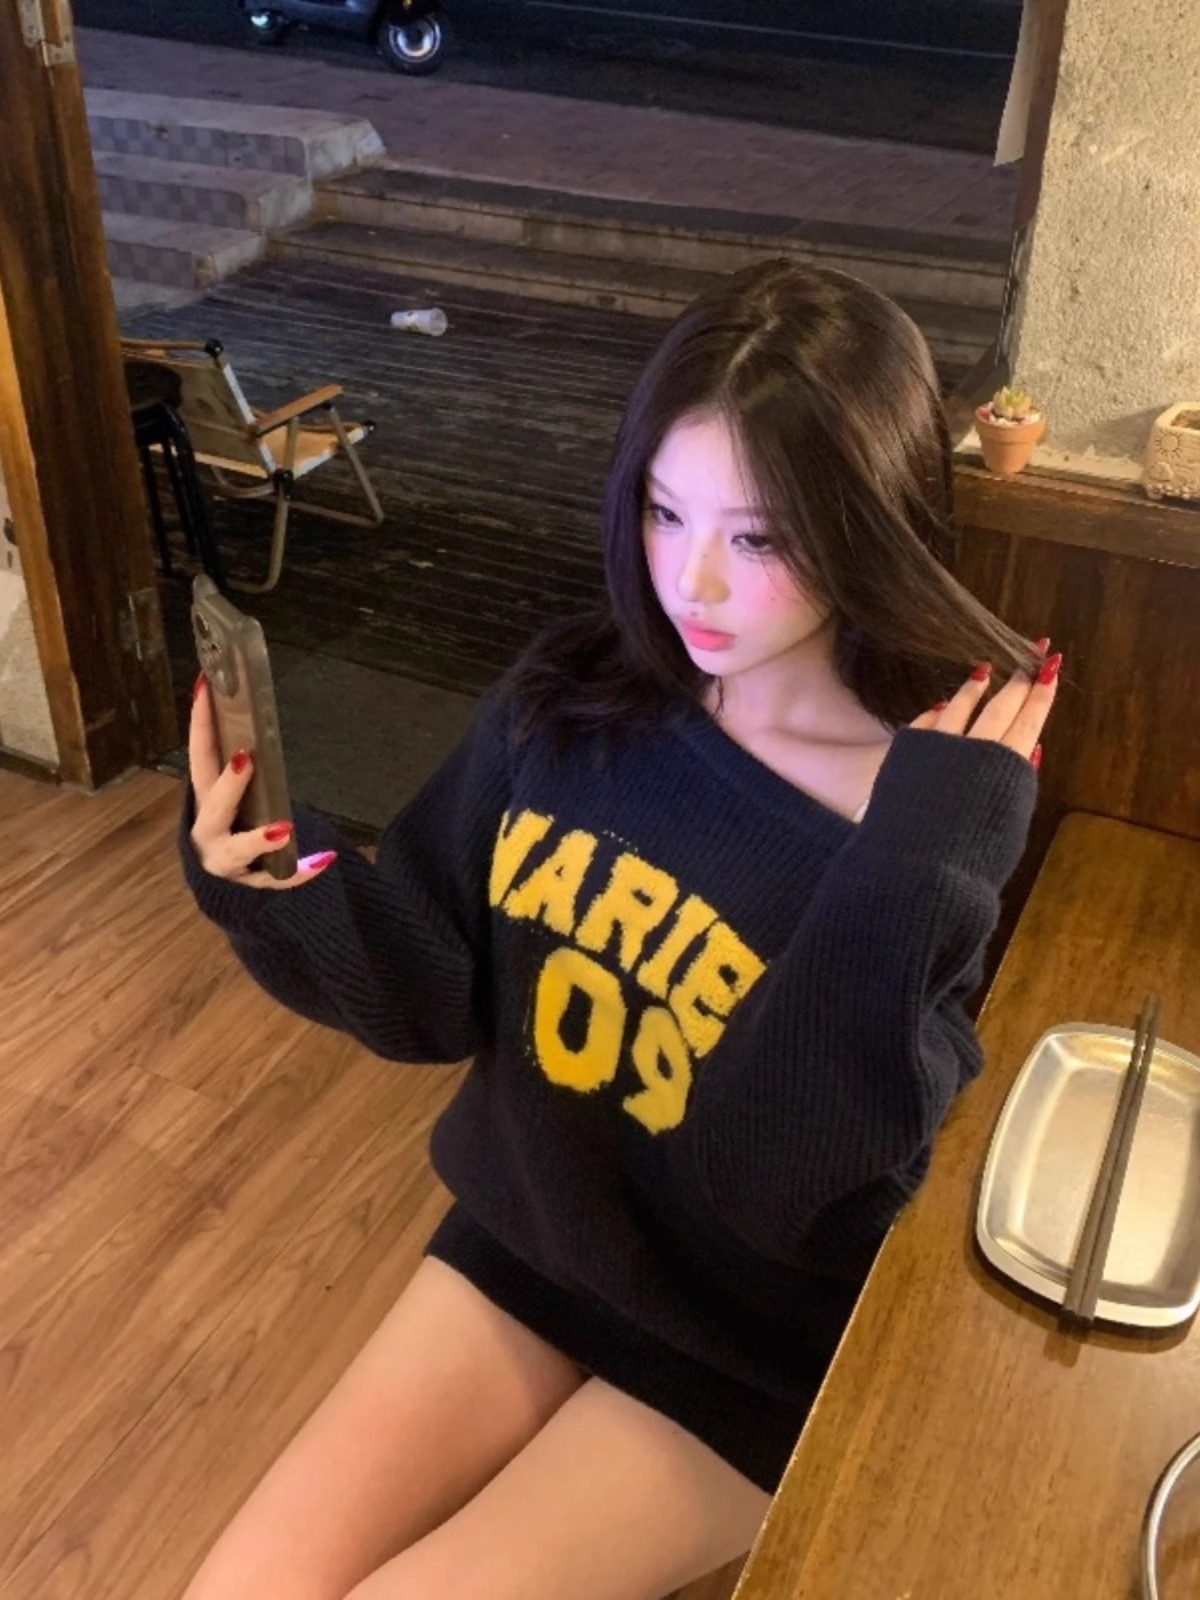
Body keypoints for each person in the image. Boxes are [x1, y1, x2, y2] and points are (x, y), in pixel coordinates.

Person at [178, 258, 1060, 1600]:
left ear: (868, 523)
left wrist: (913, 873)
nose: (691, 579)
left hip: (744, 1346)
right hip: (539, 1242)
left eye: (758, 538)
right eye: (663, 509)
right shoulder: (575, 697)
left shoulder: (919, 827)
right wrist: (268, 872)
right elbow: (430, 976)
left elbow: (790, 1191)